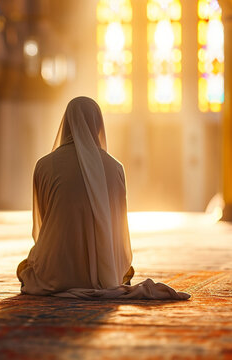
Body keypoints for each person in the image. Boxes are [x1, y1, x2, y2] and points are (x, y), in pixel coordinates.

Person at [17, 97, 189, 300]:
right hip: (106, 273)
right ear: (99, 124)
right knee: (127, 270)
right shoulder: (115, 167)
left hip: (54, 273)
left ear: (66, 123)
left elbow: (40, 227)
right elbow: (120, 229)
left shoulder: (44, 165)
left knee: (25, 268)